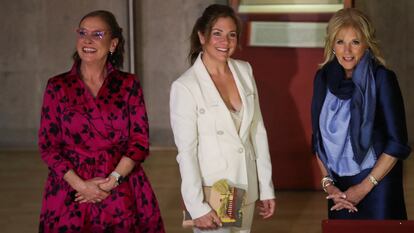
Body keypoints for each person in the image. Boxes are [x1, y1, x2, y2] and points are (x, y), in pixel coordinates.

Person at [38, 10, 165, 232]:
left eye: (97, 34)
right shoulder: (57, 86)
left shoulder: (128, 84)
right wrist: (81, 186)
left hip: (121, 184)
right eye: (83, 33)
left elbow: (139, 141)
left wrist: (113, 180)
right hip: (71, 190)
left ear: (113, 44)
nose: (87, 40)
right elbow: (48, 145)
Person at [170, 4, 276, 233]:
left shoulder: (245, 70)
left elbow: (258, 131)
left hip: (245, 185)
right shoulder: (185, 86)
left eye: (232, 35)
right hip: (212, 192)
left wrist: (266, 188)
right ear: (202, 36)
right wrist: (197, 206)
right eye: (217, 33)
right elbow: (186, 152)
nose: (225, 42)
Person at [311, 8, 411, 219]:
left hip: (377, 184)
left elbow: (397, 143)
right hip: (338, 188)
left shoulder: (382, 78)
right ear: (332, 45)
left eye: (355, 42)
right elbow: (318, 140)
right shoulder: (322, 78)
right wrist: (328, 184)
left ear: (367, 44)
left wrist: (363, 188)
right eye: (340, 42)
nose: (347, 50)